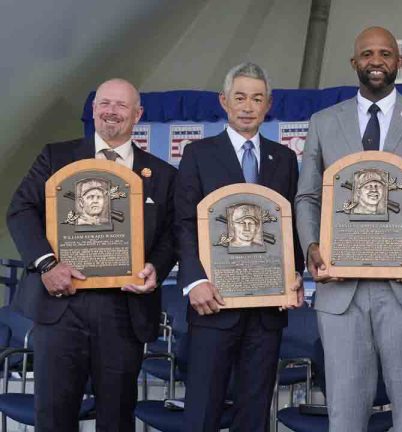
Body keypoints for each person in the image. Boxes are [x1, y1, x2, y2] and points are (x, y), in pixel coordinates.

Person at [295, 26, 402, 431]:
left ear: (398, 63)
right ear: (354, 63)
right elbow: (307, 198)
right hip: (340, 291)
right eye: (367, 54)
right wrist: (312, 245)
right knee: (346, 414)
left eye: (385, 53)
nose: (376, 61)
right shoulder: (322, 122)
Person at [6, 78, 177, 431]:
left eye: (121, 105)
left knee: (116, 418)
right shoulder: (56, 156)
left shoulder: (162, 174)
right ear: (94, 109)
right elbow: (20, 210)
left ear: (137, 115)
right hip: (61, 305)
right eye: (104, 103)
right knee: (53, 416)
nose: (111, 111)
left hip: (124, 311)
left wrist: (155, 268)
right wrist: (46, 265)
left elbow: (173, 234)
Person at [175, 62, 305, 432]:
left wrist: (293, 275)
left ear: (269, 105)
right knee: (202, 409)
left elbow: (290, 227)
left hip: (266, 311)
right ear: (224, 101)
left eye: (257, 98)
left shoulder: (284, 158)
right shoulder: (198, 153)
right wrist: (194, 281)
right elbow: (183, 223)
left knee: (255, 409)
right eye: (240, 97)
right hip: (212, 303)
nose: (248, 106)